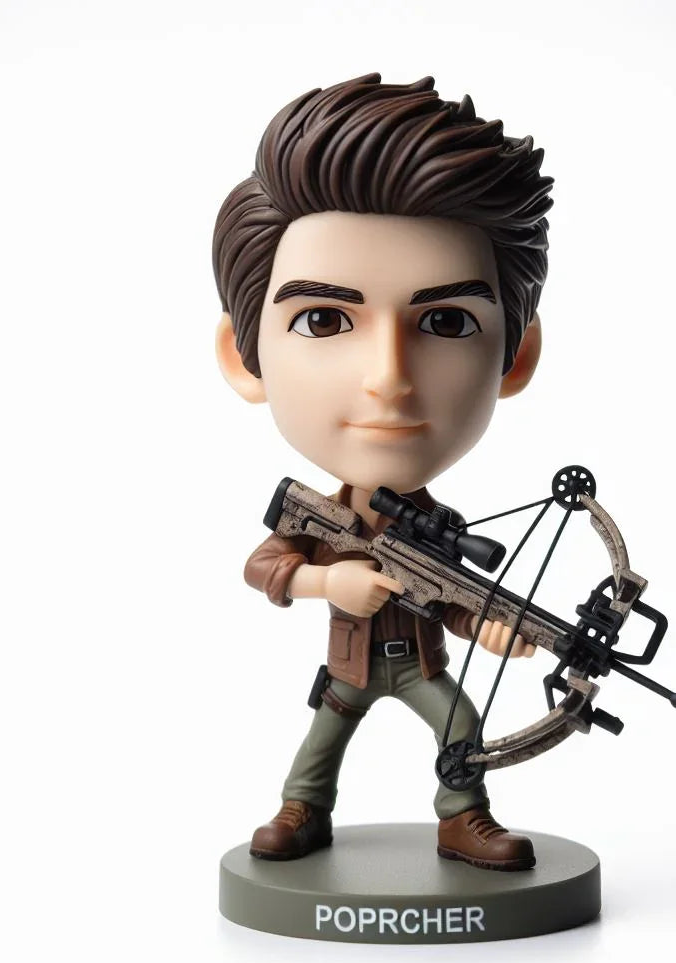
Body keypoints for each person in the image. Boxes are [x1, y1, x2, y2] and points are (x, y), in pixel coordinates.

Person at [211, 73, 553, 870]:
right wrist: (328, 581)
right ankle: (302, 809)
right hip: (349, 664)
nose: (389, 378)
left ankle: (462, 818)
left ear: (516, 355)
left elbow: (455, 598)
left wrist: (489, 628)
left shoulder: (444, 533)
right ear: (243, 356)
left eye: (446, 321)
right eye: (323, 320)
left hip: (418, 664)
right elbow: (264, 566)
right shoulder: (318, 517)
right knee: (322, 741)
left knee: (461, 726)